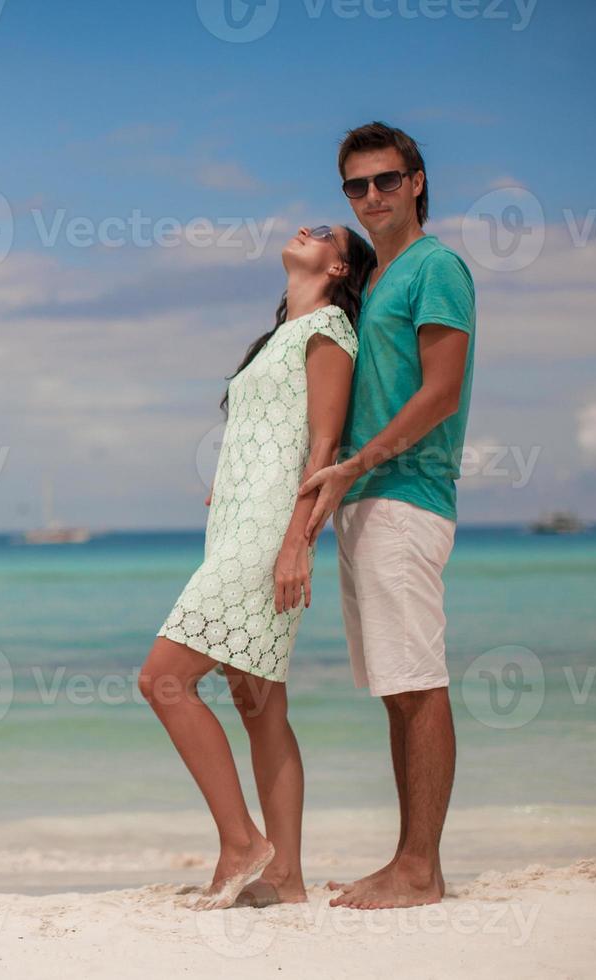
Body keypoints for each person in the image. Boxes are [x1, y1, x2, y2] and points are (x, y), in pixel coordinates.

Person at [140, 223, 375, 910]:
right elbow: (273, 433)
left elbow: (325, 446)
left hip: (271, 532)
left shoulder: (329, 331)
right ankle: (287, 878)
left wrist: (297, 539)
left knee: (162, 680)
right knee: (259, 703)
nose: (308, 228)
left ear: (338, 268)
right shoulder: (281, 336)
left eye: (326, 233)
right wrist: (235, 481)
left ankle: (242, 841)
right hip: (238, 526)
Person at [296, 121, 477, 910]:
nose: (372, 196)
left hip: (406, 496)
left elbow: (440, 393)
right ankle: (408, 860)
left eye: (386, 180)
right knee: (396, 689)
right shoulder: (375, 280)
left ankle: (421, 871)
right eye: (356, 186)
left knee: (419, 684)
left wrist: (359, 466)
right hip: (363, 500)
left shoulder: (436, 268)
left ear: (418, 182)